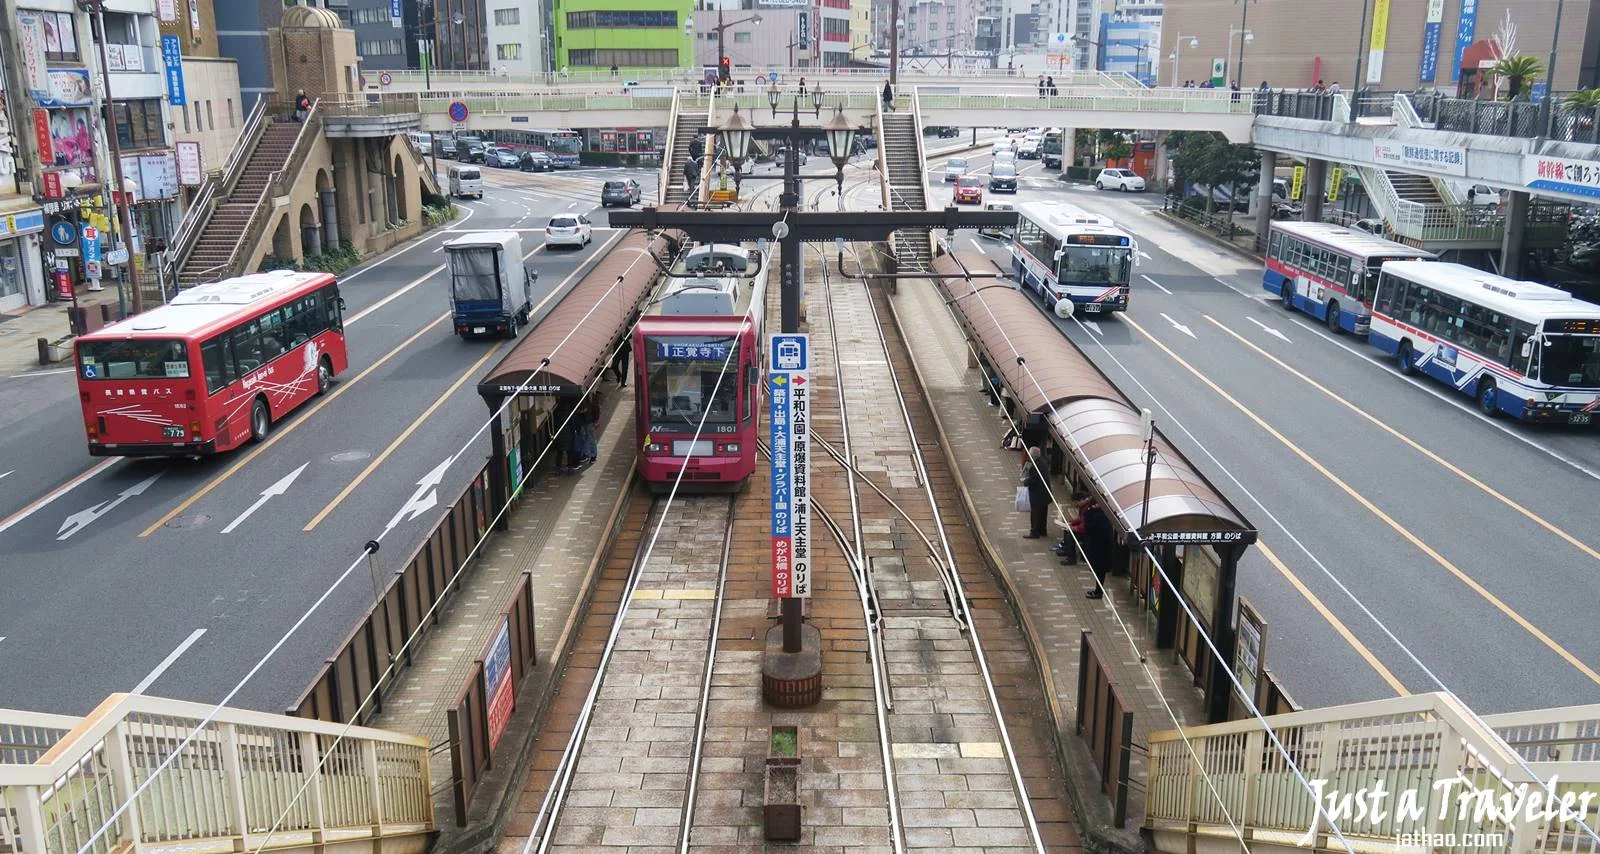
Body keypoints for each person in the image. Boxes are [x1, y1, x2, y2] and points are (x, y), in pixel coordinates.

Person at [1082, 500, 1113, 598]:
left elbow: (1088, 529)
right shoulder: (1106, 515)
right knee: (1100, 571)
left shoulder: (1094, 516)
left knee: (1099, 570)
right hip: (1104, 547)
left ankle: (1098, 592)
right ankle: (1098, 590)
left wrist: (1087, 512)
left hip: (1098, 548)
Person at [1020, 446, 1050, 539]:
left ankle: (1034, 532)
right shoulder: (1043, 462)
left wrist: (1025, 482)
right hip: (1045, 493)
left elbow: (1033, 480)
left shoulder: (1035, 466)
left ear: (1032, 455)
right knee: (1043, 512)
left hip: (1037, 494)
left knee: (1035, 513)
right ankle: (1042, 530)